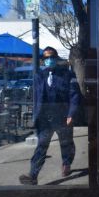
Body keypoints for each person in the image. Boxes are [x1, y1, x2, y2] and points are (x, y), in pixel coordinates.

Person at [19, 46, 81, 185]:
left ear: (56, 58)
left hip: (63, 117)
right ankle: (33, 175)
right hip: (45, 119)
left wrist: (71, 114)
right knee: (41, 146)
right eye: (46, 58)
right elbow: (36, 98)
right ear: (43, 60)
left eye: (52, 57)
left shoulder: (68, 74)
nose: (49, 60)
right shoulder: (39, 76)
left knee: (66, 144)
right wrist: (36, 117)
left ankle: (66, 163)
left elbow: (75, 95)